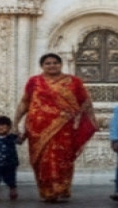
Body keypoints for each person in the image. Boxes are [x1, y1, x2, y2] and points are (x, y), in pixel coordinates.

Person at [15, 53, 96, 204]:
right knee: (41, 160)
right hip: (37, 128)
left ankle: (60, 189)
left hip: (64, 127)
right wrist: (15, 123)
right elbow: (25, 102)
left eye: (55, 63)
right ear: (42, 66)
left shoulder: (74, 82)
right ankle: (46, 191)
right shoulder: (34, 81)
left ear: (61, 64)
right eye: (48, 63)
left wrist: (80, 118)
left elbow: (85, 102)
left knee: (62, 158)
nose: (52, 65)